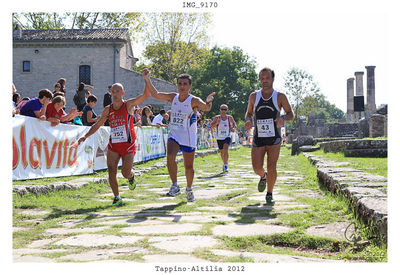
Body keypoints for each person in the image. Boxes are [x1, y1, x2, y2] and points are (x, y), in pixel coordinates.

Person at [77, 71, 150, 206]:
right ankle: (117, 197)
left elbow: (145, 95)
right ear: (110, 93)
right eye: (113, 91)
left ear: (122, 93)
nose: (115, 93)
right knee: (111, 171)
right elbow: (97, 124)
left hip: (128, 145)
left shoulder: (129, 105)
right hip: (114, 145)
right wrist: (85, 136)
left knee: (125, 172)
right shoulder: (107, 109)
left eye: (118, 91)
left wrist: (146, 79)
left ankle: (131, 177)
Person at [142, 68, 215, 202]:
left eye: (185, 84)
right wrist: (147, 79)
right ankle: (175, 185)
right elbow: (155, 94)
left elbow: (206, 108)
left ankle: (189, 188)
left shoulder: (194, 100)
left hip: (188, 136)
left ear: (190, 86)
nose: (182, 86)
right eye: (180, 84)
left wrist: (209, 101)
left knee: (188, 167)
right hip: (174, 133)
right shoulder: (173, 97)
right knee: (170, 156)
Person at [244, 67, 294, 205]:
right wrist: (248, 120)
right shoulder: (254, 96)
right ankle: (263, 176)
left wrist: (283, 118)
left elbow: (291, 113)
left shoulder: (280, 96)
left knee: (272, 165)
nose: (264, 81)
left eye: (267, 78)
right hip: (259, 137)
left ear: (273, 79)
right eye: (262, 78)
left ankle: (270, 193)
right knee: (256, 167)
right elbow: (249, 113)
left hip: (275, 138)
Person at [210, 104, 237, 173]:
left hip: (227, 136)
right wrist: (217, 123)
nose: (223, 111)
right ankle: (224, 163)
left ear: (227, 110)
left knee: (225, 149)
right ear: (220, 110)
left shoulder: (229, 118)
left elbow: (234, 125)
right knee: (222, 153)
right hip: (219, 137)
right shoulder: (217, 118)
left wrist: (232, 128)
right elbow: (211, 126)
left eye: (225, 109)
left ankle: (225, 165)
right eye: (222, 109)